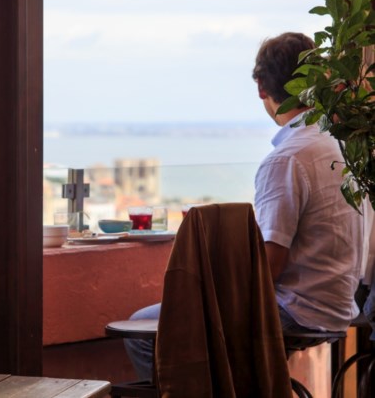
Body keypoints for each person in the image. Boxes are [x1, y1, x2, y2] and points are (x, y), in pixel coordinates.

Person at [124, 32, 365, 381]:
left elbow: (270, 265)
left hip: (296, 310)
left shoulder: (287, 158)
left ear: (261, 88)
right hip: (338, 306)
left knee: (143, 327)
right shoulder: (337, 146)